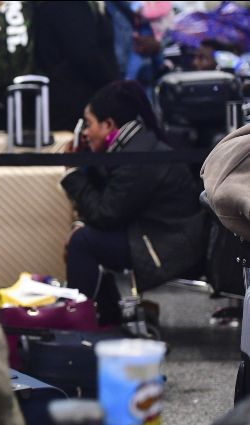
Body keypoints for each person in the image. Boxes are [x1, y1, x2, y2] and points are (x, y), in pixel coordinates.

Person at [61, 80, 205, 321]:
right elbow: (114, 207)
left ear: (108, 125)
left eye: (88, 124)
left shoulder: (137, 157)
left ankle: (78, 323)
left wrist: (73, 174)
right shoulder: (137, 145)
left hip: (167, 246)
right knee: (86, 236)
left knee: (83, 242)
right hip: (160, 234)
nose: (85, 133)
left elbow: (105, 214)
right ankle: (107, 315)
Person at [33, 1, 119, 130]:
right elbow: (85, 55)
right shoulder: (69, 5)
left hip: (64, 101)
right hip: (73, 107)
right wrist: (114, 84)